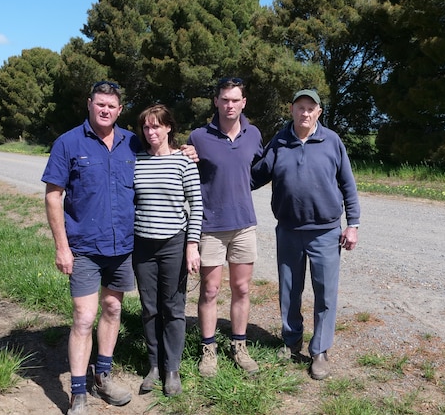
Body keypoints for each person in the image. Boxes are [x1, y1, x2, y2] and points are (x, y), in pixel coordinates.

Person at [41, 80, 138, 415]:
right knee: (84, 318)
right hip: (83, 247)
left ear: (119, 109)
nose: (105, 111)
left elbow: (163, 152)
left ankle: (103, 375)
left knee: (113, 310)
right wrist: (61, 247)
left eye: (112, 106)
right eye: (100, 104)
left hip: (122, 246)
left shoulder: (132, 141)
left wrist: (186, 151)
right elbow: (54, 197)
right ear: (89, 104)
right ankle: (77, 396)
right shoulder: (68, 143)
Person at [251, 89, 360, 380]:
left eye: (310, 108)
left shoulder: (332, 141)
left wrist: (353, 224)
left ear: (319, 112)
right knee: (289, 290)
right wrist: (221, 172)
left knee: (325, 293)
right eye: (300, 107)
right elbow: (257, 175)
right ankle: (291, 340)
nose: (305, 113)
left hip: (325, 232)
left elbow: (348, 184)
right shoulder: (280, 141)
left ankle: (320, 350)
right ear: (291, 110)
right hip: (288, 230)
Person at [186, 77, 263, 376]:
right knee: (210, 290)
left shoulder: (253, 134)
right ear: (216, 101)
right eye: (224, 99)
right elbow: (184, 170)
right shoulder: (199, 137)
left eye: (235, 100)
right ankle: (209, 349)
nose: (229, 105)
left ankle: (239, 346)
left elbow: (259, 169)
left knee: (241, 288)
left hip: (244, 224)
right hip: (210, 226)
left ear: (244, 102)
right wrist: (185, 154)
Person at [132, 104, 203, 396]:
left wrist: (192, 246)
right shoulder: (136, 161)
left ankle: (172, 368)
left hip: (174, 242)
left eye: (156, 127)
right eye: (146, 128)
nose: (151, 133)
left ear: (168, 127)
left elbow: (197, 205)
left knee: (173, 307)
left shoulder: (184, 162)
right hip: (142, 244)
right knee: (149, 308)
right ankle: (154, 365)